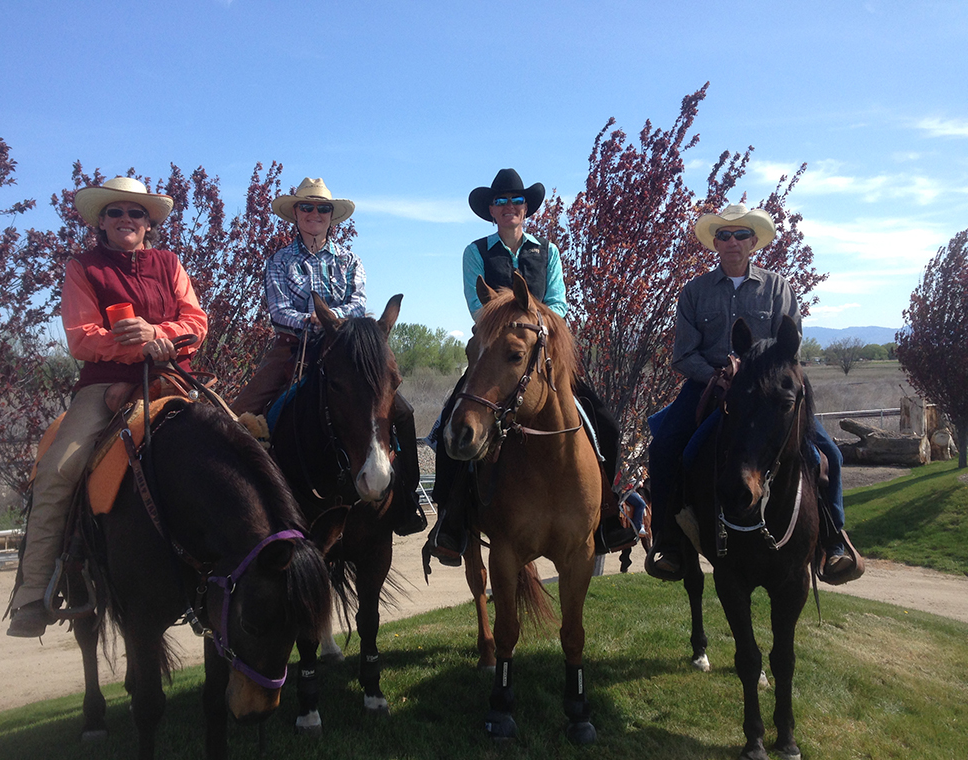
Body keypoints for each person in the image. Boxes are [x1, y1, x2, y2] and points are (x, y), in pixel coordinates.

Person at [8, 177, 209, 637]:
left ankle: (245, 565)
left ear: (148, 222)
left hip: (170, 377)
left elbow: (196, 320)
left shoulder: (169, 263)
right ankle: (33, 592)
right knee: (59, 469)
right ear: (101, 221)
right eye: (115, 213)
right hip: (103, 387)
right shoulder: (83, 267)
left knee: (237, 440)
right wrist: (135, 346)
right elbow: (81, 337)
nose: (126, 220)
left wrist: (158, 337)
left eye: (135, 213)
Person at [644, 203, 860, 583]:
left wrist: (754, 373)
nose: (732, 242)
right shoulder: (694, 292)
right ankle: (668, 540)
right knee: (665, 449)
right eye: (724, 235)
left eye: (741, 234)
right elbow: (683, 355)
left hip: (765, 392)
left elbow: (787, 348)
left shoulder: (778, 288)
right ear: (715, 242)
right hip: (707, 386)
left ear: (754, 241)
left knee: (829, 454)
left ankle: (833, 542)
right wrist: (718, 373)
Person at [425, 168, 630, 567]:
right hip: (495, 353)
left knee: (605, 423)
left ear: (526, 209)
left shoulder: (547, 252)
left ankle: (608, 510)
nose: (509, 208)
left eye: (516, 202)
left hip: (544, 354)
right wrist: (511, 319)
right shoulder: (476, 252)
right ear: (491, 210)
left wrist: (532, 320)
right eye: (501, 202)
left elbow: (560, 304)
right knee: (453, 421)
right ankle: (451, 520)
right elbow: (478, 305)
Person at [231, 177, 426, 535]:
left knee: (403, 411)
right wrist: (312, 320)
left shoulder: (351, 261)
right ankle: (242, 506)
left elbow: (358, 302)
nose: (315, 214)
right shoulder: (279, 261)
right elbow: (278, 311)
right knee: (239, 414)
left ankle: (406, 500)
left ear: (332, 216)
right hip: (294, 347)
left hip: (345, 348)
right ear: (296, 213)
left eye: (322, 208)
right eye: (307, 207)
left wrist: (334, 322)